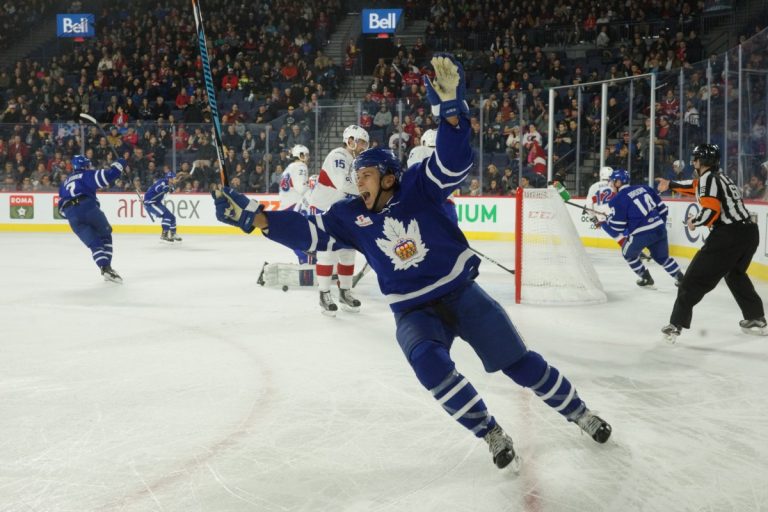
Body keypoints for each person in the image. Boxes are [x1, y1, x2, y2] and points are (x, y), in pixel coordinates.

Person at [212, 54, 611, 470]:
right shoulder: (349, 214)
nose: (356, 181)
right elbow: (309, 234)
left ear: (388, 176)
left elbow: (454, 162)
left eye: (363, 175)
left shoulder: (420, 187)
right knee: (428, 365)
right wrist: (257, 217)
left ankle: (579, 412)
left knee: (519, 364)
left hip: (461, 294)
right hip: (413, 309)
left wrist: (452, 115)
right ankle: (489, 430)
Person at [656, 144, 766, 342]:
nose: (693, 162)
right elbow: (694, 188)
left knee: (691, 279)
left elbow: (710, 211)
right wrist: (671, 184)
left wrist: (694, 221)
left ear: (700, 161)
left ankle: (676, 324)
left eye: (695, 159)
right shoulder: (721, 177)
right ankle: (756, 317)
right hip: (749, 233)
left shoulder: (708, 179)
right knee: (735, 274)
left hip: (728, 236)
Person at [304, 124, 369, 316]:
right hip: (325, 210)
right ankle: (324, 294)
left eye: (365, 144)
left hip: (341, 211)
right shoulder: (338, 156)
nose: (363, 147)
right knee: (327, 253)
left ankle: (344, 292)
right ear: (350, 140)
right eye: (361, 143)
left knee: (348, 252)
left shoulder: (355, 161)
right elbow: (344, 184)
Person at [595, 168, 684, 288]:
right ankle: (681, 278)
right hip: (660, 229)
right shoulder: (645, 188)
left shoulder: (618, 199)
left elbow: (617, 227)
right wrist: (658, 224)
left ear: (618, 183)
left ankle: (645, 277)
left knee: (628, 254)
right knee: (662, 258)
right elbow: (663, 210)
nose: (611, 184)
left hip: (641, 234)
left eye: (612, 181)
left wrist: (606, 220)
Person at [58, 154, 127, 283]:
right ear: (85, 165)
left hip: (71, 215)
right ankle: (108, 268)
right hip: (87, 207)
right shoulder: (86, 175)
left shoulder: (64, 183)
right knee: (105, 234)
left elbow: (61, 209)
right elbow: (109, 175)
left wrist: (74, 213)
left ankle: (104, 267)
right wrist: (120, 163)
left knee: (94, 243)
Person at [279, 144, 312, 264]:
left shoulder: (289, 167)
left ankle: (304, 260)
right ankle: (307, 262)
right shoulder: (300, 166)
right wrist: (313, 186)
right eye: (305, 155)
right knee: (303, 236)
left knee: (295, 237)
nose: (307, 158)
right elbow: (302, 188)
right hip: (294, 207)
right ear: (299, 155)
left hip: (286, 207)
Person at [143, 171, 185, 243]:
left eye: (174, 178)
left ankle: (173, 234)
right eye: (172, 178)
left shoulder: (170, 184)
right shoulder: (162, 182)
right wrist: (164, 188)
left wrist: (172, 186)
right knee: (167, 216)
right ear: (168, 179)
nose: (174, 180)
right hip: (150, 203)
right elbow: (158, 188)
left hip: (157, 203)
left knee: (172, 217)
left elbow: (171, 190)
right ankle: (164, 235)